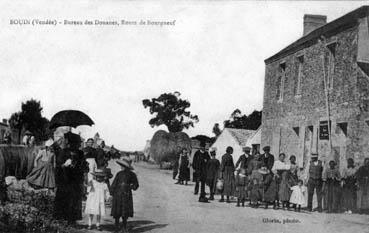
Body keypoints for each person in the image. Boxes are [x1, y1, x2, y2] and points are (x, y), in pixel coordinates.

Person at [54, 132, 89, 224]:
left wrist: (83, 166)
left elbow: (84, 166)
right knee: (64, 199)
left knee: (74, 199)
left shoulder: (80, 153)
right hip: (65, 179)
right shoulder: (63, 152)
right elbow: (58, 166)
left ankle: (72, 220)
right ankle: (62, 219)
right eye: (76, 143)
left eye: (78, 143)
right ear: (71, 142)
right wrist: (64, 164)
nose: (78, 145)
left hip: (76, 180)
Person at [110, 157, 139, 232]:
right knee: (118, 211)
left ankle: (123, 227)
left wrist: (131, 186)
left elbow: (136, 184)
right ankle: (118, 227)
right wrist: (112, 192)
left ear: (126, 167)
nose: (121, 167)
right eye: (121, 165)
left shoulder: (132, 174)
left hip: (125, 193)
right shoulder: (119, 174)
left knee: (124, 211)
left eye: (122, 166)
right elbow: (114, 183)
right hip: (119, 193)